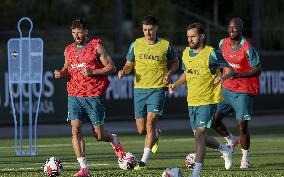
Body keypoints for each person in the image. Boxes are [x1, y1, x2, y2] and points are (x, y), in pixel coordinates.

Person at [54, 18, 126, 177]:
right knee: (75, 130)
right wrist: (61, 73)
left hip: (93, 96)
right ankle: (83, 168)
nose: (76, 35)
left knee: (99, 135)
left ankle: (113, 139)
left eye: (79, 31)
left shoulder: (96, 46)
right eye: (73, 32)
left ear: (86, 31)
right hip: (74, 95)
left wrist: (93, 72)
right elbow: (67, 69)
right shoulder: (68, 50)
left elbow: (112, 67)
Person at [169, 23, 234, 177]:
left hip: (208, 100)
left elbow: (230, 69)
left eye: (193, 36)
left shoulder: (211, 53)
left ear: (202, 36)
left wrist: (222, 77)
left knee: (199, 134)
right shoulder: (185, 53)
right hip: (192, 101)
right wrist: (175, 85)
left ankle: (196, 173)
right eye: (188, 37)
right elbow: (186, 74)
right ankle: (225, 149)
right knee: (200, 136)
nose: (190, 39)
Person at [117, 15, 179, 170]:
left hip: (158, 89)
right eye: (145, 29)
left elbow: (176, 63)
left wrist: (169, 73)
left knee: (150, 121)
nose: (147, 32)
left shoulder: (165, 45)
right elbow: (129, 64)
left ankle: (143, 162)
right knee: (141, 129)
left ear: (156, 28)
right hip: (139, 90)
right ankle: (156, 135)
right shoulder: (136, 44)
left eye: (150, 29)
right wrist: (124, 71)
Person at [212, 18, 262, 169]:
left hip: (243, 90)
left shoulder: (248, 48)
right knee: (213, 121)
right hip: (226, 88)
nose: (232, 30)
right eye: (230, 28)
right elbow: (219, 60)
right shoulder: (222, 43)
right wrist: (217, 73)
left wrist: (239, 75)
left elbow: (258, 69)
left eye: (235, 28)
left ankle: (245, 159)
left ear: (241, 29)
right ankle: (231, 139)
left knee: (242, 125)